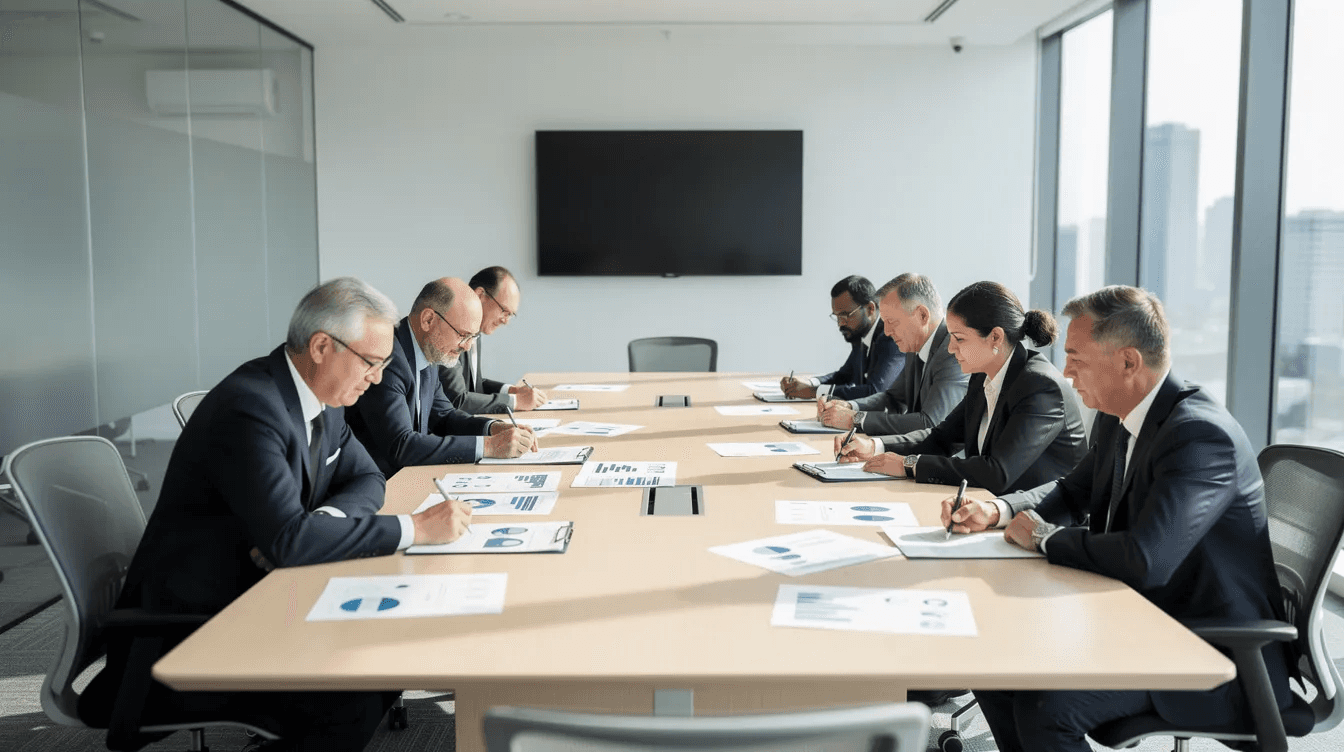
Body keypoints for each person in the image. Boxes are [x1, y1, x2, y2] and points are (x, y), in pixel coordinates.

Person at [80, 277, 477, 752]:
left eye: (384, 365)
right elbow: (289, 543)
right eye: (371, 363)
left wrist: (322, 524)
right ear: (321, 346)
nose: (375, 378)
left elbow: (368, 479)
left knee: (381, 664)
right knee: (353, 690)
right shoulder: (252, 409)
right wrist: (414, 527)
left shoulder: (324, 400)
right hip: (192, 629)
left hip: (261, 594)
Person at [944, 286, 1293, 752]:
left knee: (1046, 709)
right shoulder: (1118, 414)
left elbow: (1146, 559)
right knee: (994, 664)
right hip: (1138, 615)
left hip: (1206, 647)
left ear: (1128, 362)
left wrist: (1045, 538)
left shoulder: (1199, 436)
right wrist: (1000, 509)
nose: (1065, 371)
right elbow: (1072, 490)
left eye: (1076, 358)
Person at [837, 281, 1086, 496]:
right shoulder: (983, 376)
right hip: (988, 507)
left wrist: (909, 464)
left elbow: (997, 472)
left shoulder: (1040, 385)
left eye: (960, 339)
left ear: (995, 338)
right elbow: (941, 438)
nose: (950, 348)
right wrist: (876, 446)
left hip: (1035, 521)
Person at [348, 277, 537, 477]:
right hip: (381, 482)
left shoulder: (426, 350)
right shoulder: (389, 358)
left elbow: (445, 417)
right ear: (428, 320)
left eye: (472, 337)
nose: (467, 346)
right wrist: (488, 446)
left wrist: (493, 428)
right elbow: (402, 445)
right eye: (462, 335)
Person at [818, 273, 968, 434]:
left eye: (892, 322)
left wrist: (856, 419)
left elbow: (930, 423)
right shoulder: (914, 343)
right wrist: (850, 406)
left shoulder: (953, 351)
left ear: (922, 315)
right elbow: (893, 398)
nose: (887, 332)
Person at [438, 266, 548, 414]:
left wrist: (512, 390)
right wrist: (516, 401)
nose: (506, 321)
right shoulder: (452, 331)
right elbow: (457, 398)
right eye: (504, 311)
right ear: (480, 295)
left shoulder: (475, 333)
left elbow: (474, 385)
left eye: (510, 315)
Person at [780, 275, 904, 400]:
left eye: (845, 315)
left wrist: (814, 391)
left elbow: (875, 392)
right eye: (837, 316)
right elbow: (844, 376)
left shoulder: (892, 337)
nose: (840, 323)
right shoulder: (861, 334)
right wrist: (809, 383)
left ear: (870, 309)